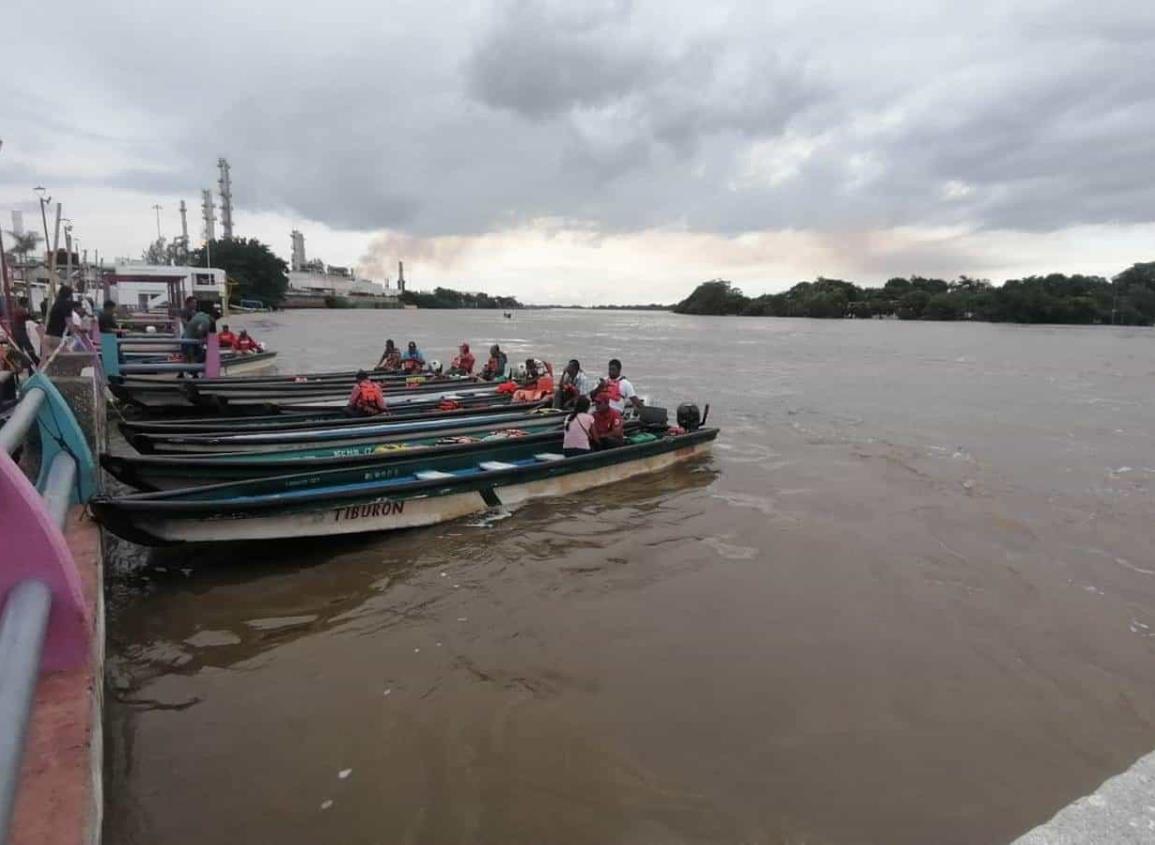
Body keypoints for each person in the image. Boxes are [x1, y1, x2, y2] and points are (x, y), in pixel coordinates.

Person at [42, 285, 80, 358]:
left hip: (47, 336)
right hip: (57, 337)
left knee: (51, 362)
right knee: (64, 360)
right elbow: (69, 322)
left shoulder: (56, 303)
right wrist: (75, 334)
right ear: (69, 294)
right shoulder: (66, 304)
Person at [11, 297, 39, 366]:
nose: (28, 304)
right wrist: (33, 318)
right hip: (20, 330)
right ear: (25, 303)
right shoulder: (21, 309)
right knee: (28, 346)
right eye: (27, 303)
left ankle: (21, 363)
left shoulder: (18, 309)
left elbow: (25, 317)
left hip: (16, 329)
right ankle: (35, 360)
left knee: (20, 347)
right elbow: (27, 317)